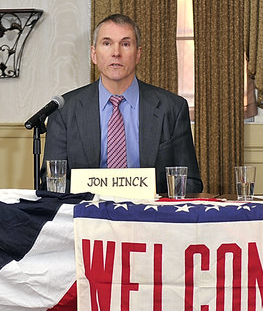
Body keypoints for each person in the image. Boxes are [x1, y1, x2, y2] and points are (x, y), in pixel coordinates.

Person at [41, 13, 203, 194]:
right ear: (94, 54)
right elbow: (50, 182)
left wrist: (145, 195)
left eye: (125, 44)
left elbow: (190, 182)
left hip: (149, 216)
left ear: (138, 54)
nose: (116, 53)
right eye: (107, 43)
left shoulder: (171, 108)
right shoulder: (64, 110)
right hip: (86, 216)